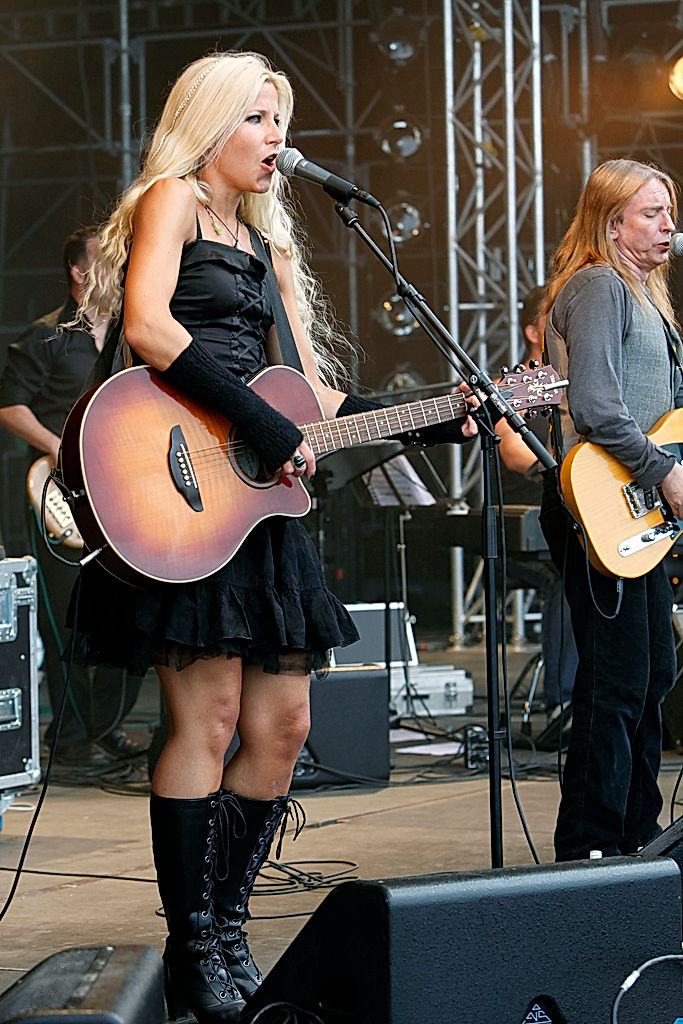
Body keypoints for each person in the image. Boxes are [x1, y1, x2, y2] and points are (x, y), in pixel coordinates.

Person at [67, 51, 478, 1022]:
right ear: (210, 122)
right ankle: (191, 946)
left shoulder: (269, 249)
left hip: (258, 508)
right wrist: (257, 424)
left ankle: (227, 921)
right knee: (203, 724)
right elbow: (149, 328)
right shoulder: (170, 200)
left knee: (282, 729)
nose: (275, 140)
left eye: (278, 122)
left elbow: (308, 397)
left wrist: (422, 414)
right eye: (257, 119)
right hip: (184, 487)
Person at [540, 158, 683, 861]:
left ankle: (637, 839)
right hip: (600, 505)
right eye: (651, 213)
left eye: (668, 212)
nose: (667, 225)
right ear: (611, 220)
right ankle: (590, 849)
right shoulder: (597, 285)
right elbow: (595, 405)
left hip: (634, 508)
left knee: (653, 674)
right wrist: (663, 474)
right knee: (616, 682)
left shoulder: (644, 295)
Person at [0, 226, 143, 768]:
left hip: (122, 494)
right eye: (107, 261)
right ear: (79, 273)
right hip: (61, 493)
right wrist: (60, 448)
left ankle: (106, 726)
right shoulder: (45, 335)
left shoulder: (134, 334)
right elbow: (10, 406)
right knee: (66, 617)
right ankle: (71, 737)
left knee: (126, 610)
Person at [496, 286, 577, 734]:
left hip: (575, 512)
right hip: (522, 520)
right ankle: (562, 705)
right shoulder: (516, 383)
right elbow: (516, 454)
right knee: (563, 577)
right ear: (533, 330)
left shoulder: (576, 375)